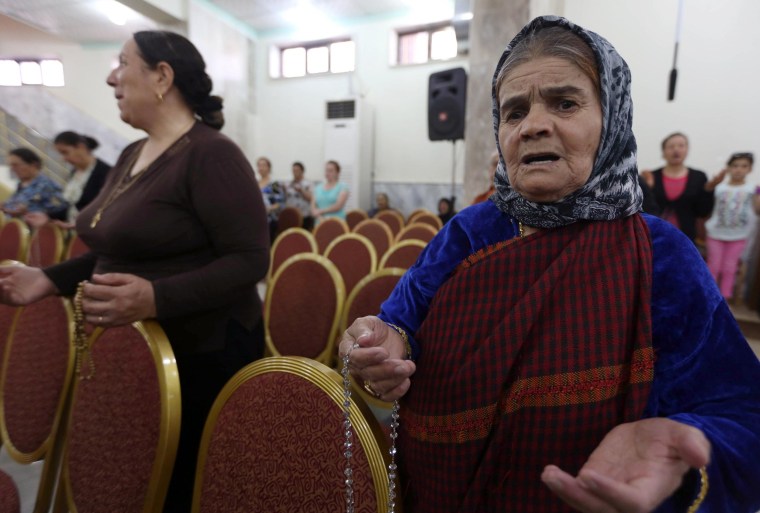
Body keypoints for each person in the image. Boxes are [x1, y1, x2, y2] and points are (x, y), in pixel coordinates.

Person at [340, 15, 760, 513]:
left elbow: (743, 416)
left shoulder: (660, 254)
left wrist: (690, 448)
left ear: (613, 118)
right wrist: (378, 348)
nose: (534, 124)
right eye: (514, 111)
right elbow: (395, 328)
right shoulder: (468, 234)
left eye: (565, 102)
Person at [0, 30, 269, 512]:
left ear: (162, 77)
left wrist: (155, 298)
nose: (111, 77)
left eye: (122, 63)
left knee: (177, 487)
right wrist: (47, 280)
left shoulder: (211, 154)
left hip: (198, 356)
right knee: (128, 477)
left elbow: (250, 260)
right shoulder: (130, 154)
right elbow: (114, 251)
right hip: (129, 351)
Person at [640, 133, 719, 246]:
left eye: (681, 145)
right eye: (671, 146)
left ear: (687, 150)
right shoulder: (652, 176)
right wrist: (647, 188)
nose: (676, 149)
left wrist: (709, 189)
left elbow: (703, 212)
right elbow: (645, 210)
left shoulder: (699, 177)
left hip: (686, 238)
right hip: (655, 237)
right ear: (663, 152)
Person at [25, 131, 112, 229]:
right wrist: (47, 216)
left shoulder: (106, 172)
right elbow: (71, 207)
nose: (64, 158)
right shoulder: (74, 172)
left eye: (65, 152)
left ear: (81, 147)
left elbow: (102, 208)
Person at [705, 152, 760, 301]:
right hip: (715, 234)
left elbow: (757, 209)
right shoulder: (719, 188)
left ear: (750, 169)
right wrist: (712, 184)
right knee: (713, 267)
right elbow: (706, 198)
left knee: (729, 268)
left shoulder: (752, 189)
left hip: (738, 236)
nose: (739, 169)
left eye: (744, 166)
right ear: (728, 168)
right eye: (735, 166)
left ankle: (724, 299)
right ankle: (709, 297)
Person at [2, 148, 68, 222]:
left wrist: (28, 212)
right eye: (10, 165)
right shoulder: (21, 186)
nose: (12, 169)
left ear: (33, 165)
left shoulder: (47, 186)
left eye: (16, 165)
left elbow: (60, 211)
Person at [257, 157, 285, 241]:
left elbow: (280, 203)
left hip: (270, 220)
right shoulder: (255, 183)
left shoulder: (274, 184)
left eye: (263, 165)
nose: (261, 168)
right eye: (259, 165)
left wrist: (269, 208)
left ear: (269, 167)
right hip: (258, 219)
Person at [284, 161, 314, 230]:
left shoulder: (309, 183)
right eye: (293, 170)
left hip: (304, 216)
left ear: (302, 171)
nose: (295, 172)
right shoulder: (288, 184)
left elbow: (311, 198)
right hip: (291, 216)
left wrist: (301, 191)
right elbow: (286, 199)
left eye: (297, 170)